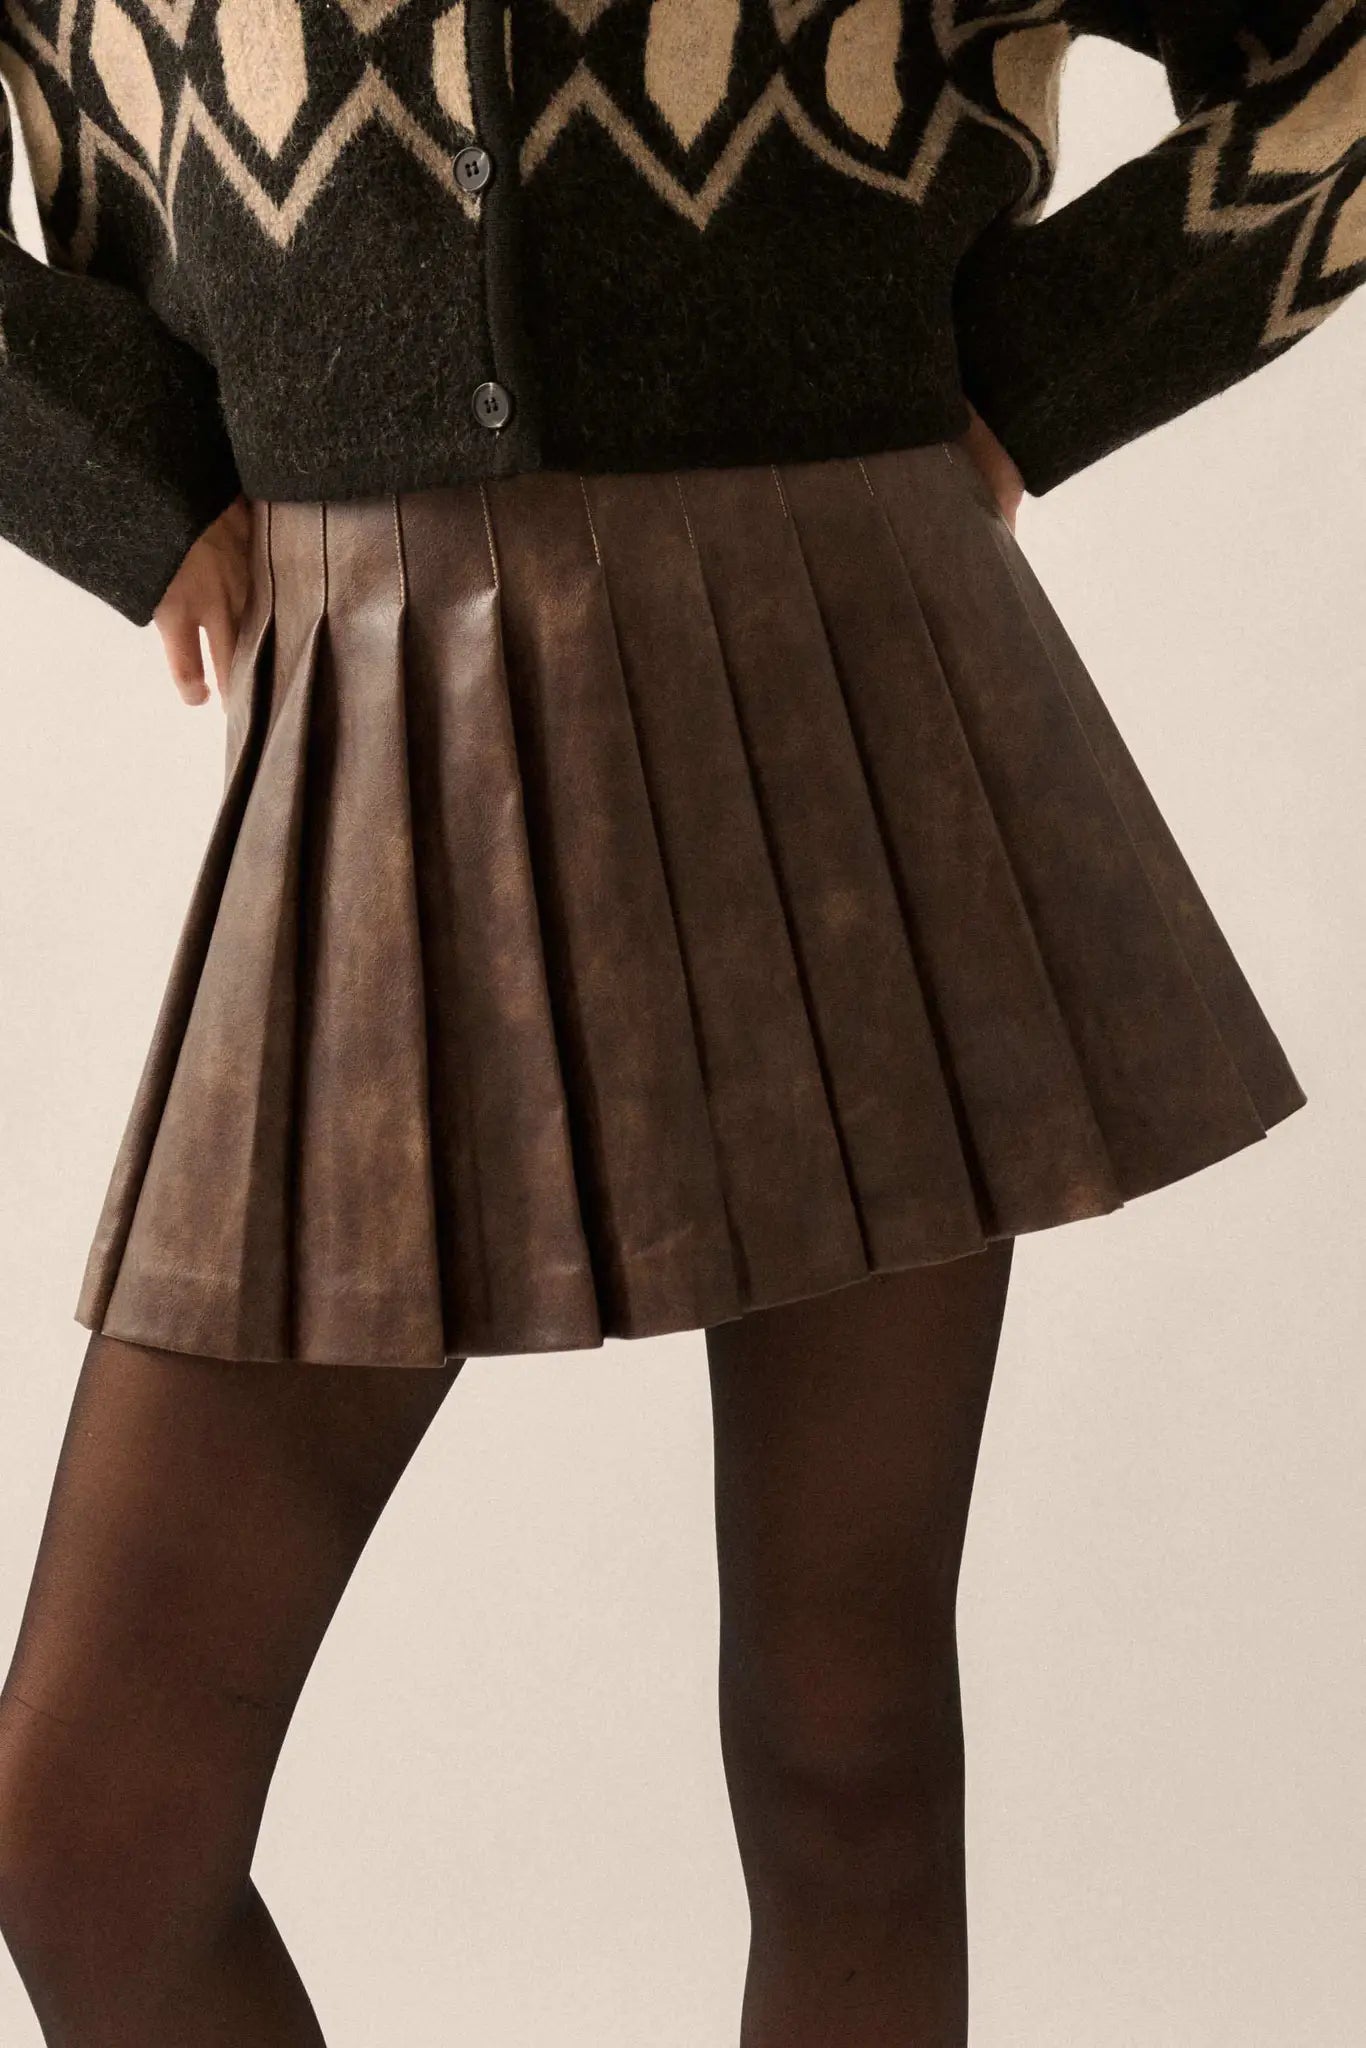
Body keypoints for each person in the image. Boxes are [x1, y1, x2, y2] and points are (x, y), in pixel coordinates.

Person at [0, 5, 1360, 2043]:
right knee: (88, 1832)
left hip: (854, 667)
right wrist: (103, 458)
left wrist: (1046, 367)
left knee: (846, 1744)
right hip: (372, 705)